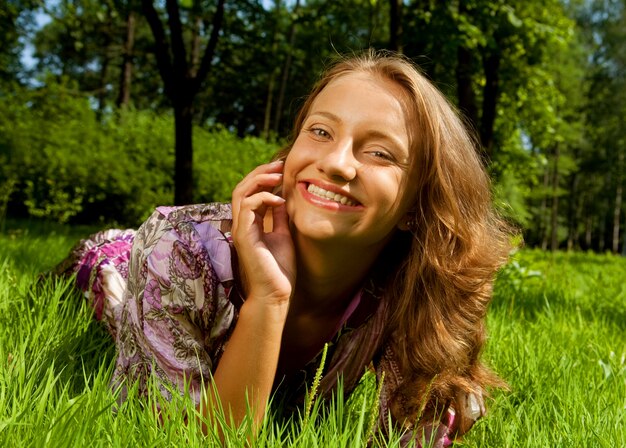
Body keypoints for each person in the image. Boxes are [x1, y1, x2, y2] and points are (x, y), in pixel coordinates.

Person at [55, 50, 512, 446]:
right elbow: (185, 439)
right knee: (109, 272)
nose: (335, 163)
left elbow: (413, 429)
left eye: (380, 153)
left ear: (416, 206)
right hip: (126, 259)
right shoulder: (177, 250)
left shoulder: (412, 283)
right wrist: (269, 299)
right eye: (320, 131)